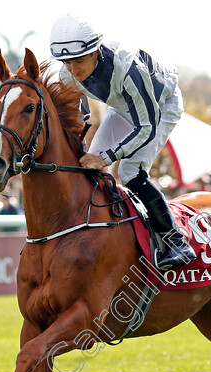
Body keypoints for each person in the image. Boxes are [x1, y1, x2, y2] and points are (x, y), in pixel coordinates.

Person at [50, 14, 194, 270]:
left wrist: (105, 158)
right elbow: (80, 115)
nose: (73, 70)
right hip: (122, 106)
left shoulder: (128, 68)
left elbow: (146, 128)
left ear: (95, 53)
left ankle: (175, 241)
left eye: (79, 61)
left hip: (161, 105)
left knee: (130, 171)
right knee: (88, 164)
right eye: (67, 62)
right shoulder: (68, 74)